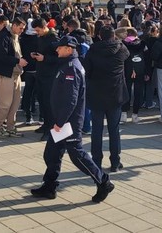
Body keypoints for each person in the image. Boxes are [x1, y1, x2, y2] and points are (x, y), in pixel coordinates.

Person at [30, 36, 114, 203]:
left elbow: (70, 100)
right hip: (61, 120)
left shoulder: (71, 69)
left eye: (59, 47)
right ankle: (50, 185)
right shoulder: (66, 65)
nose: (56, 50)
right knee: (52, 153)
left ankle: (103, 181)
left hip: (68, 122)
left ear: (69, 49)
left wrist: (60, 122)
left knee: (77, 155)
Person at [85, 25, 129, 172]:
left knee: (97, 130)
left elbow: (88, 70)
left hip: (97, 93)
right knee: (114, 130)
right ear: (113, 36)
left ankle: (96, 161)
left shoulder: (93, 50)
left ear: (99, 36)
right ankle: (115, 162)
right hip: (115, 94)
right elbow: (127, 56)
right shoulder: (121, 48)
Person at [0, 16, 27, 138]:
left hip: (16, 73)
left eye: (23, 29)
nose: (22, 31)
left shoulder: (15, 36)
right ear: (14, 26)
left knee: (15, 103)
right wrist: (17, 61)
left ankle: (11, 126)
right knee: (5, 104)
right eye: (21, 28)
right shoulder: (4, 36)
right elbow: (0, 56)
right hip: (5, 74)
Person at [32, 18, 60, 140]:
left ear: (44, 28)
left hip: (50, 76)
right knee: (42, 102)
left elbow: (59, 58)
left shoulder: (54, 39)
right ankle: (46, 124)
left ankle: (51, 129)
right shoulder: (41, 38)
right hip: (41, 74)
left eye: (38, 30)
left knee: (49, 104)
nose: (37, 33)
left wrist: (45, 58)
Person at [120, 28, 146, 123]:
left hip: (127, 69)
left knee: (126, 91)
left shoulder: (123, 44)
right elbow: (147, 58)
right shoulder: (142, 44)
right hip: (140, 69)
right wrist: (147, 72)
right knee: (138, 92)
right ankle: (135, 114)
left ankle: (124, 114)